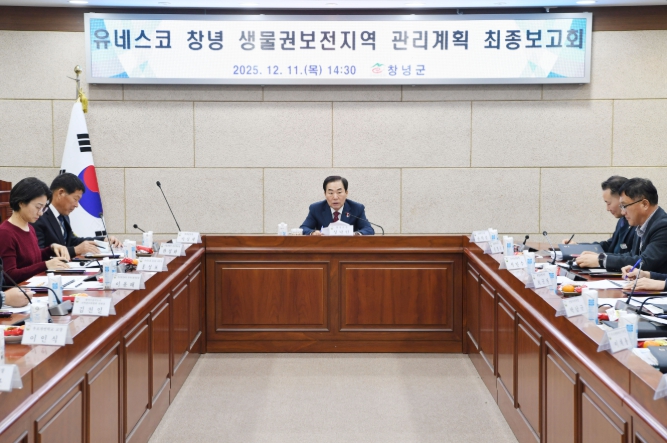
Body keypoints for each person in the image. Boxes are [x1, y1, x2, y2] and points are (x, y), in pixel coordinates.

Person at [575, 178, 667, 273]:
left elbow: (645, 262)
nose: (623, 212)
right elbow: (632, 255)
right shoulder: (642, 224)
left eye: (625, 206)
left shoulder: (663, 226)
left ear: (644, 204)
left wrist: (602, 260)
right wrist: (601, 257)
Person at [32, 173, 122, 257]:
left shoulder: (64, 216)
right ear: (60, 193)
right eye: (75, 199)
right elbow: (39, 254)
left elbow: (71, 241)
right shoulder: (38, 217)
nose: (76, 205)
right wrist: (75, 250)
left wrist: (103, 240)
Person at [0, 177, 70, 283]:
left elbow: (32, 259)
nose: (41, 213)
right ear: (21, 203)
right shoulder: (5, 233)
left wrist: (52, 248)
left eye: (43, 208)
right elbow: (9, 275)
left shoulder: (30, 228)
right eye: (38, 207)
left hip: (35, 285)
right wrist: (46, 265)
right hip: (20, 290)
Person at [562, 176, 636, 254]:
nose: (607, 209)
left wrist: (600, 258)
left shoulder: (637, 224)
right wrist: (577, 246)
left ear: (622, 199)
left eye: (609, 203)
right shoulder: (622, 221)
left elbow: (631, 257)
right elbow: (610, 245)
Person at [300, 176, 374, 236]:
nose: (335, 197)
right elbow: (303, 228)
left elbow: (368, 229)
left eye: (339, 192)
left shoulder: (357, 208)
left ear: (346, 193)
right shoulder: (316, 208)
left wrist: (356, 234)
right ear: (325, 194)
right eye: (331, 193)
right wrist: (313, 233)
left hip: (348, 247)